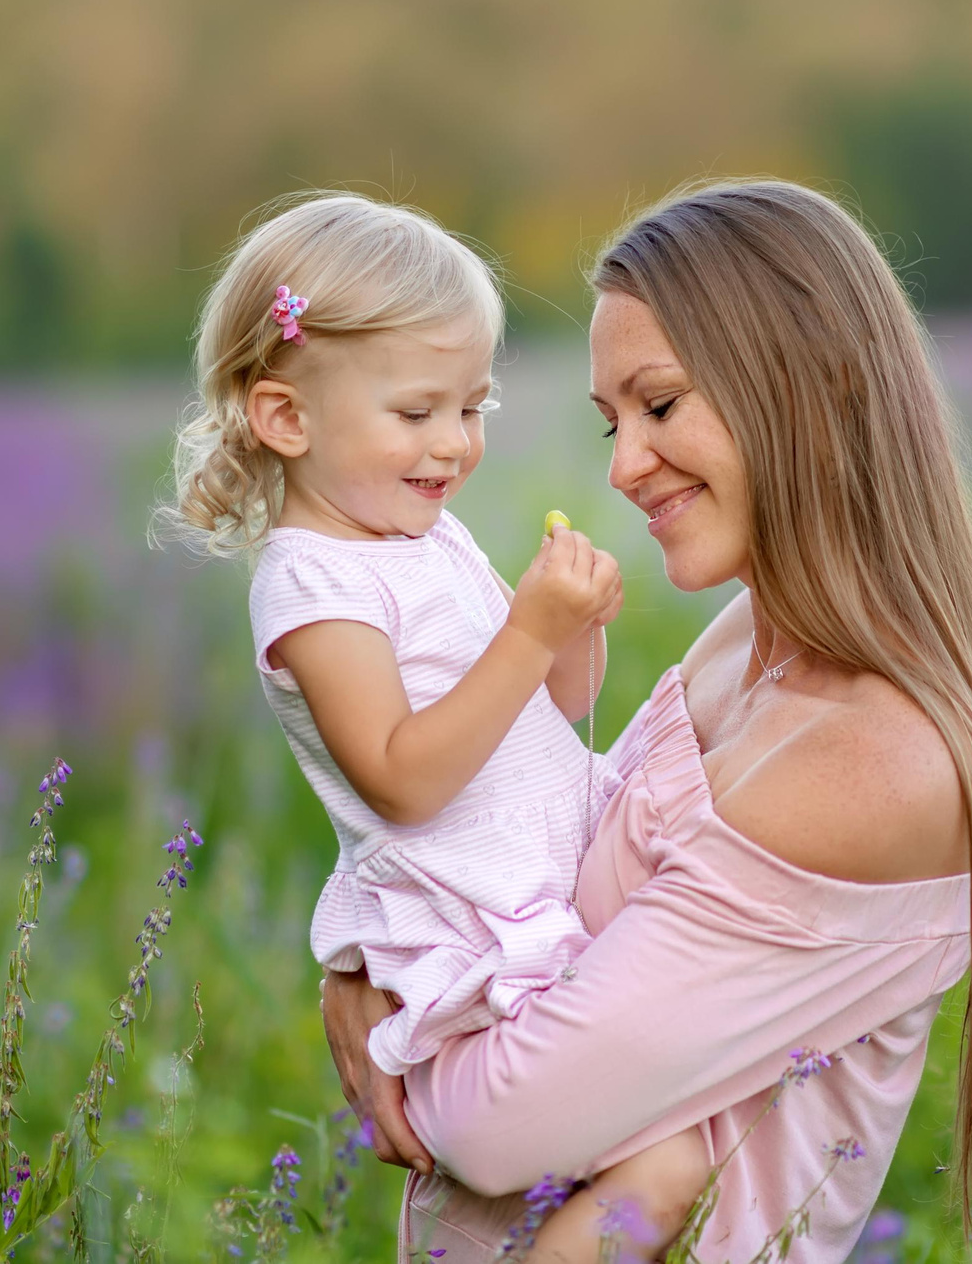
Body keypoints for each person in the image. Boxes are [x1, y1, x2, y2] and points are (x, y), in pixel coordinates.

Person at [322, 180, 972, 1262]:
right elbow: (515, 871)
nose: (624, 464)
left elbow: (495, 1132)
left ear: (812, 387)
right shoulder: (741, 644)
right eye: (610, 420)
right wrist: (355, 960)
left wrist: (395, 1018)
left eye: (660, 404)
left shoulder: (870, 767)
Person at [167, 192, 713, 1261]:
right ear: (288, 417)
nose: (454, 445)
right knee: (654, 1165)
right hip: (474, 935)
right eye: (417, 412)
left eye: (473, 407)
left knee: (623, 1172)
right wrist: (526, 628)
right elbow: (402, 776)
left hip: (546, 889)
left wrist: (569, 632)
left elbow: (546, 710)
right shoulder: (313, 582)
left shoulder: (423, 534)